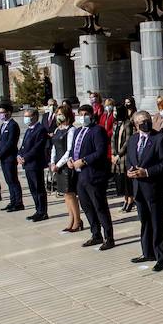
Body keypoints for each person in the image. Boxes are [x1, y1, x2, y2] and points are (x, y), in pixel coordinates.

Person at [125, 110, 163, 270]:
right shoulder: (133, 139)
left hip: (155, 188)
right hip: (138, 188)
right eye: (140, 121)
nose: (144, 123)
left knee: (157, 223)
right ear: (135, 124)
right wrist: (130, 170)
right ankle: (147, 252)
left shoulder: (160, 139)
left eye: (147, 120)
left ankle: (162, 257)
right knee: (144, 221)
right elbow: (130, 159)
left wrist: (146, 172)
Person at [76, 104, 115, 249]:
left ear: (92, 115)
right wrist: (71, 160)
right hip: (81, 176)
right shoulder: (79, 131)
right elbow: (76, 149)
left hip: (94, 174)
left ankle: (109, 237)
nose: (83, 117)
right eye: (80, 114)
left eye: (85, 114)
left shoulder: (97, 130)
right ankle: (95, 234)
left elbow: (100, 152)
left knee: (99, 206)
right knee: (87, 206)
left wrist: (84, 160)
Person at [18, 107, 51, 222]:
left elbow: (37, 147)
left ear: (35, 117)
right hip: (27, 164)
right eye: (25, 116)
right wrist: (19, 155)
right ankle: (38, 210)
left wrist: (26, 157)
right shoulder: (29, 129)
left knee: (39, 188)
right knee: (32, 188)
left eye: (28, 116)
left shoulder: (40, 129)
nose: (26, 119)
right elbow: (23, 145)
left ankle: (43, 211)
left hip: (35, 163)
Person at [54, 106, 84, 233]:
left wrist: (59, 164)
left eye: (61, 114)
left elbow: (69, 150)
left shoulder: (71, 130)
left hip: (66, 165)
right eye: (57, 114)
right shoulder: (58, 129)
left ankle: (77, 220)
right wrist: (52, 162)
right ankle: (71, 219)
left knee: (70, 194)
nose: (59, 116)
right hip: (58, 165)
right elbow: (54, 147)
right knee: (65, 195)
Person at [0, 103, 23, 212]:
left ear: (9, 113)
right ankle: (13, 201)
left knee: (13, 179)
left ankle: (18, 202)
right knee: (8, 180)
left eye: (2, 112)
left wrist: (0, 154)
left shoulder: (13, 125)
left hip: (10, 157)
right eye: (0, 112)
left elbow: (10, 143)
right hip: (4, 158)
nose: (0, 114)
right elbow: (0, 141)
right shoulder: (3, 125)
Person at [113, 101, 135, 211]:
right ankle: (125, 199)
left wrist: (119, 154)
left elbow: (127, 141)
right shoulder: (116, 124)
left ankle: (130, 200)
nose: (114, 113)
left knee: (127, 180)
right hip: (117, 157)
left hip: (125, 157)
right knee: (121, 180)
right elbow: (113, 139)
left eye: (116, 111)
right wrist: (113, 154)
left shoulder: (128, 124)